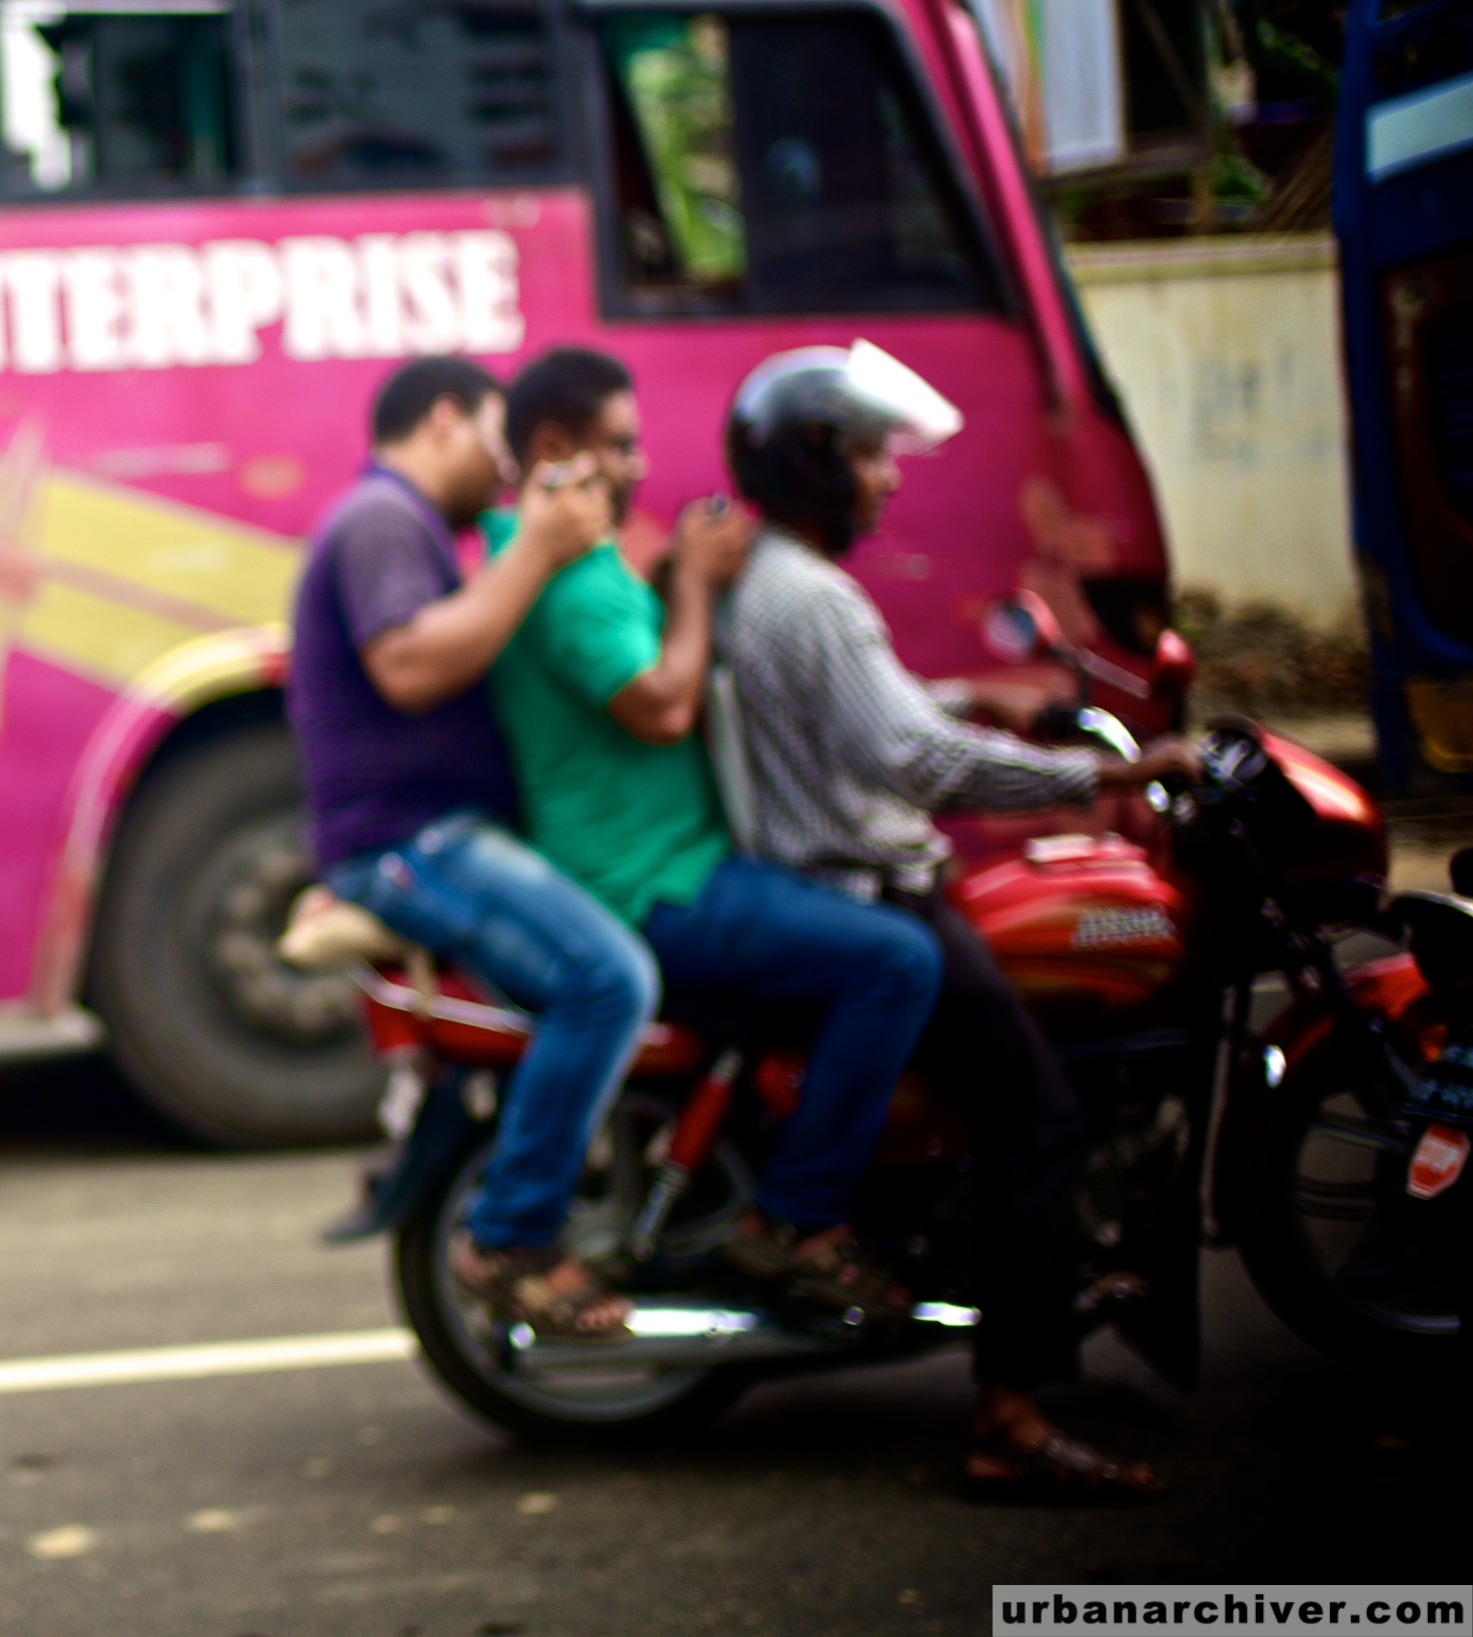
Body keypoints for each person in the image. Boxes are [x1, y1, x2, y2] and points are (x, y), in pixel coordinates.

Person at [716, 340, 1194, 1504]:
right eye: (871, 456)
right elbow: (913, 760)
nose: (890, 477)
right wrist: (1103, 775)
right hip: (874, 892)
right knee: (1043, 1123)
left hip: (837, 875)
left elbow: (862, 717)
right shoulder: (815, 595)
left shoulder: (775, 581)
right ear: (815, 463)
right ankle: (1011, 1417)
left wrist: (973, 696)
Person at [486, 347, 945, 1314]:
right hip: (657, 881)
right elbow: (660, 707)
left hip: (671, 864)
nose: (640, 465)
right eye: (620, 446)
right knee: (897, 962)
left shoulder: (548, 556)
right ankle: (795, 1219)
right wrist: (691, 584)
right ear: (554, 448)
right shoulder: (567, 577)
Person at [289, 355, 640, 1342]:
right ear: (444, 419)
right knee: (606, 982)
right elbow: (407, 666)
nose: (505, 466)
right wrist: (535, 551)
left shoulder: (403, 524)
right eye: (494, 436)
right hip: (418, 842)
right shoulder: (382, 519)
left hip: (427, 837)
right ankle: (513, 1238)